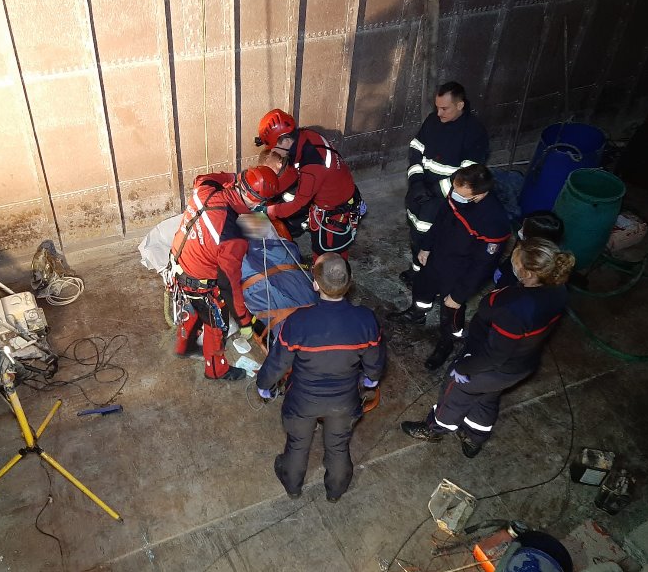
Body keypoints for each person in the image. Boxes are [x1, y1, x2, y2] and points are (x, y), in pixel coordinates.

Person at [400, 238, 575, 457]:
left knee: (455, 390)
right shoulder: (558, 289)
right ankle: (475, 437)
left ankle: (434, 428)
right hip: (521, 363)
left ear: (529, 274)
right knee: (487, 397)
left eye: (517, 260)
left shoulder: (515, 308)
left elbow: (494, 356)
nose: (512, 259)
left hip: (494, 366)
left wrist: (464, 368)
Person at [255, 253, 386, 501]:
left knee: (297, 445)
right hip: (345, 400)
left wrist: (264, 385)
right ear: (350, 282)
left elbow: (278, 362)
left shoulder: (298, 322)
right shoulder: (365, 319)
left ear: (315, 284)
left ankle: (293, 487)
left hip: (303, 401)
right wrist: (371, 379)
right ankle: (335, 492)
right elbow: (374, 361)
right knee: (338, 447)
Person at [388, 164, 511, 372]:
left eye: (462, 194)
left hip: (459, 272)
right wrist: (425, 247)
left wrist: (459, 294)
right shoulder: (457, 192)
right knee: (422, 288)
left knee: (451, 312)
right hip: (437, 257)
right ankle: (417, 313)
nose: (455, 195)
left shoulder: (494, 221)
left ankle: (447, 343)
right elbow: (440, 221)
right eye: (454, 188)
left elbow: (483, 266)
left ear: (479, 195)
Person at [169, 166, 279, 380]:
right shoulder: (232, 238)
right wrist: (245, 321)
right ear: (257, 202)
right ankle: (216, 370)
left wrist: (235, 177)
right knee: (216, 325)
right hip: (200, 281)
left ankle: (184, 345)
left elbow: (202, 177)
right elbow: (229, 284)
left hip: (180, 261)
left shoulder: (207, 187)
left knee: (192, 307)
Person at [402, 82, 489, 287]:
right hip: (420, 190)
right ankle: (416, 270)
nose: (439, 113)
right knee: (416, 230)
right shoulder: (433, 121)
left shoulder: (474, 132)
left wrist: (433, 190)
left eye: (444, 108)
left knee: (432, 238)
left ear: (460, 105)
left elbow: (468, 174)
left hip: (444, 199)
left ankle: (427, 276)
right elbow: (416, 148)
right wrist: (416, 182)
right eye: (437, 107)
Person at [255, 109, 364, 261]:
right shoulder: (304, 138)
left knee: (327, 257)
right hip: (334, 196)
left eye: (274, 147)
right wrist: (268, 191)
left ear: (286, 141)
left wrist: (268, 211)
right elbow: (293, 172)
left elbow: (298, 204)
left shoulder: (312, 165)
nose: (274, 151)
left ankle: (328, 282)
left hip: (334, 212)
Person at [494, 210, 564, 288]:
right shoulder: (526, 237)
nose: (520, 231)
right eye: (523, 225)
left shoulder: (539, 261)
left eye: (524, 228)